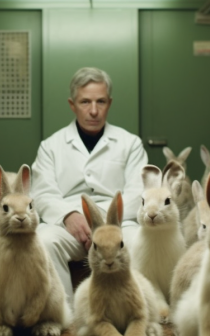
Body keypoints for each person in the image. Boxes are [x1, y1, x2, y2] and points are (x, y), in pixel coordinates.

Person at [31, 67, 148, 300]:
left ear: (110, 103)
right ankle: (65, 314)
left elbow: (139, 193)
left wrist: (102, 219)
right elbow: (43, 194)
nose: (93, 110)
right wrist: (68, 215)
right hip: (70, 225)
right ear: (72, 104)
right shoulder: (50, 146)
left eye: (100, 101)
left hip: (117, 222)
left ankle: (135, 311)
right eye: (85, 102)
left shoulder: (130, 143)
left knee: (139, 240)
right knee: (43, 240)